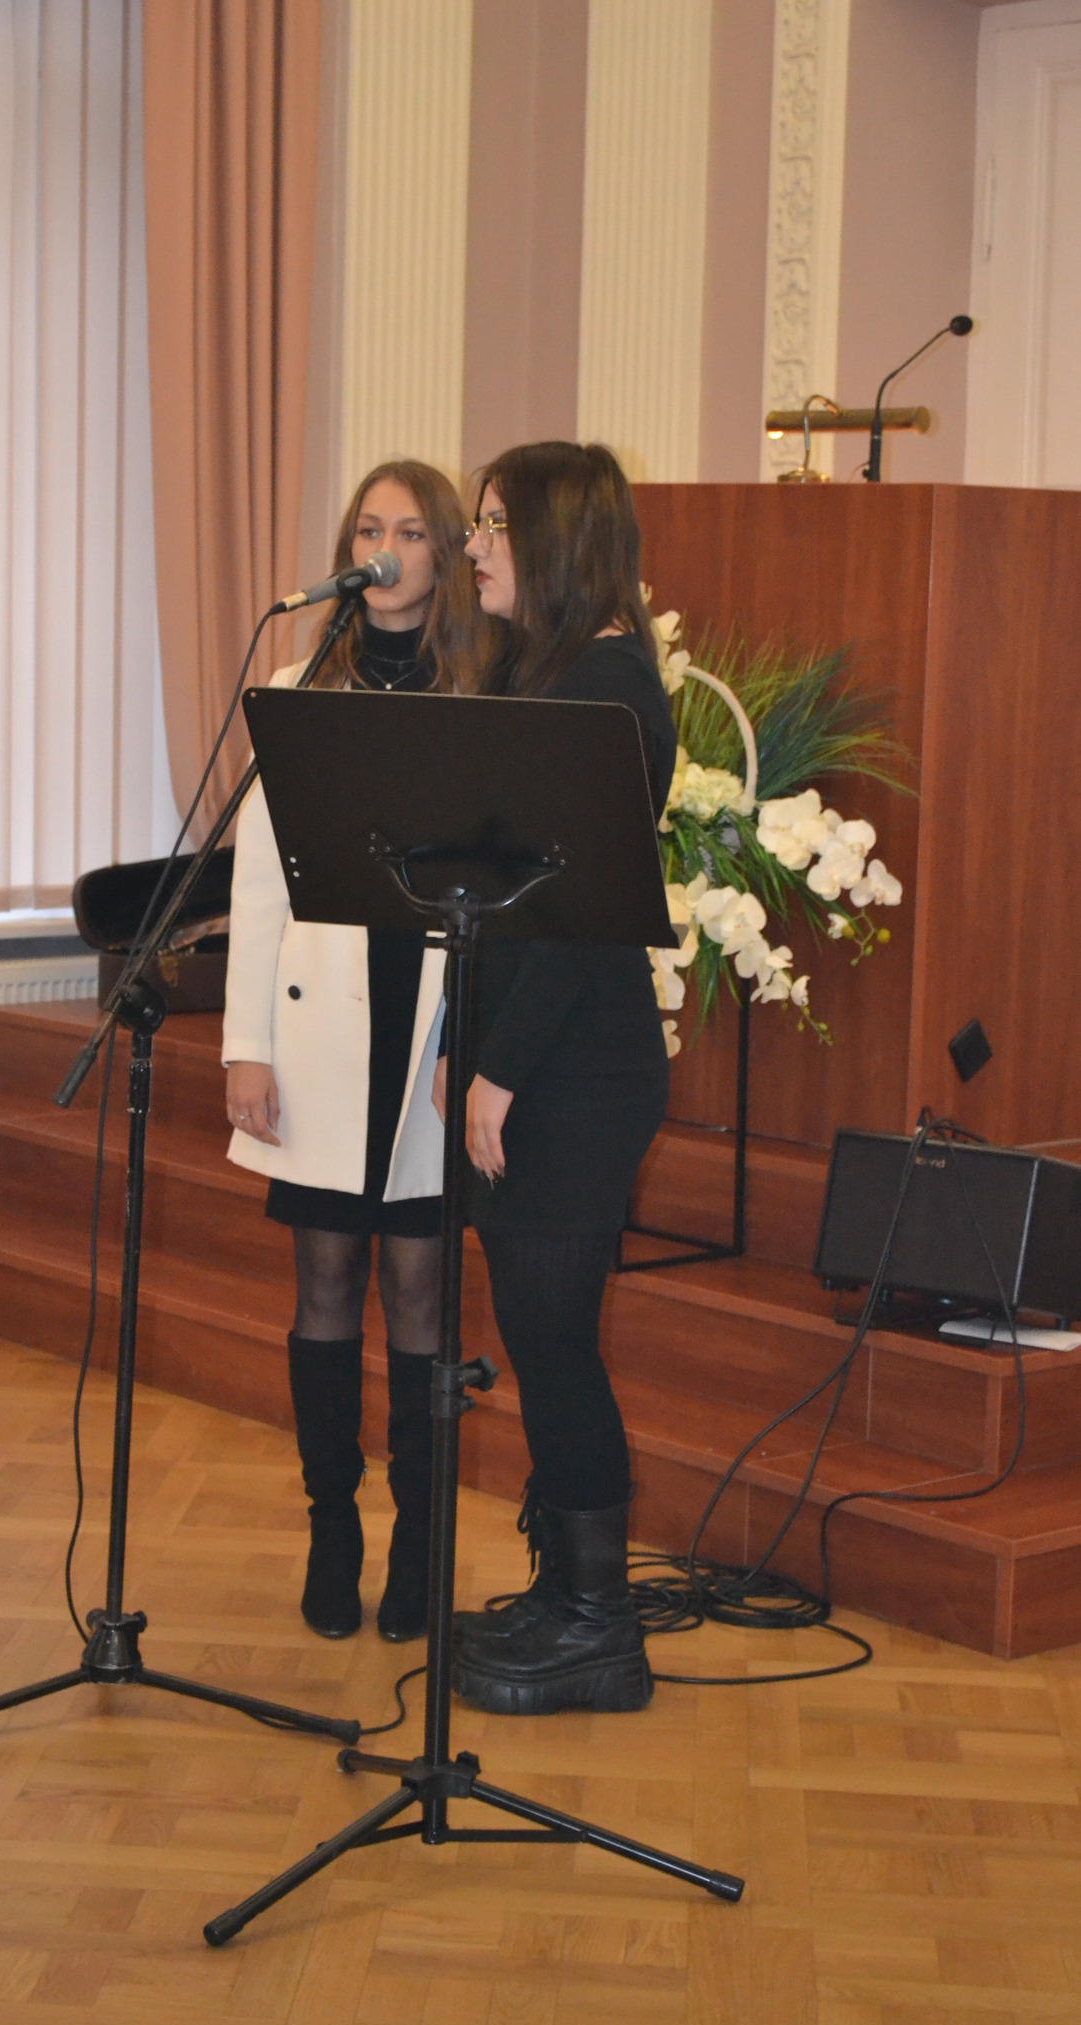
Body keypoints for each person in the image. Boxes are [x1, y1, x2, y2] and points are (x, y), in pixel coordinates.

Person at [222, 460, 491, 1643]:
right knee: (325, 1280)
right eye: (370, 528)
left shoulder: (484, 690)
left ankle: (420, 1547)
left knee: (420, 1289)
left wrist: (476, 1041)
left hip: (430, 1028)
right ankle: (332, 1529)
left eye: (412, 530)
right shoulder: (297, 689)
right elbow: (257, 885)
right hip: (322, 1026)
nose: (386, 548)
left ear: (447, 554)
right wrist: (245, 1044)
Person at [441, 440, 677, 1715]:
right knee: (540, 1339)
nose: (474, 544)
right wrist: (464, 1045)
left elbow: (582, 918)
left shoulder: (607, 688)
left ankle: (600, 1627)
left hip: (577, 1073)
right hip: (548, 1061)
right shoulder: (564, 674)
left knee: (558, 1345)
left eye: (494, 523)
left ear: (558, 538)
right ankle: (566, 1594)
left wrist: (498, 1069)